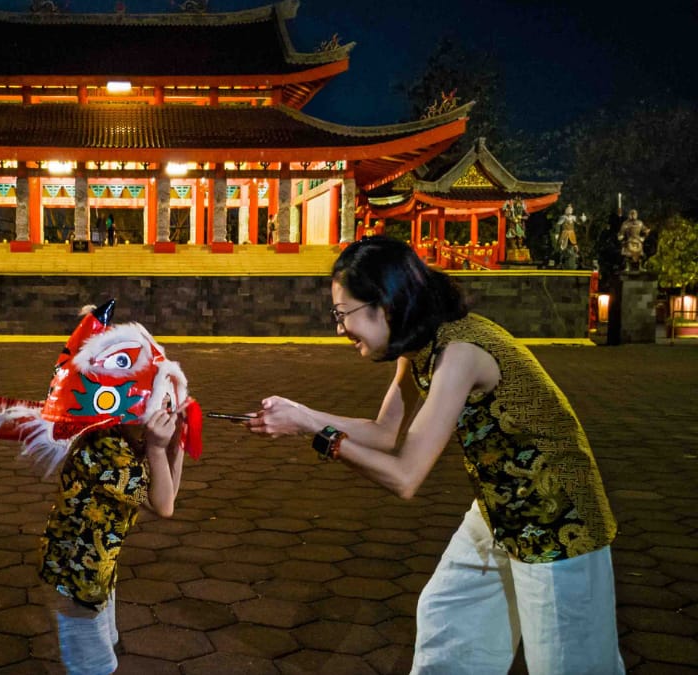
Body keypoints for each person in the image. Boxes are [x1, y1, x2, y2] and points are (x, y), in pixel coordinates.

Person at [246, 236, 623, 675]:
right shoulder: (419, 347)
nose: (339, 329)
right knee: (450, 622)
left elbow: (406, 475)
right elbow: (386, 433)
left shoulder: (459, 352)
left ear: (385, 305)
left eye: (342, 314)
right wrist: (300, 414)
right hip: (498, 509)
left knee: (566, 663)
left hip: (558, 518)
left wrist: (317, 431)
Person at [30, 301, 199, 675]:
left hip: (98, 570)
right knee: (96, 666)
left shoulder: (123, 440)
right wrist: (159, 448)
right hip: (74, 576)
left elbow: (166, 493)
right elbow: (164, 505)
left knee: (108, 644)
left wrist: (177, 444)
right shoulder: (106, 450)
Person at [553, 204, 582, 269]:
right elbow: (558, 225)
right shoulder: (562, 217)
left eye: (570, 209)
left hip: (572, 233)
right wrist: (557, 233)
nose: (569, 210)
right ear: (565, 210)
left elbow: (579, 223)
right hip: (564, 233)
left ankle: (576, 260)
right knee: (562, 247)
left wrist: (582, 219)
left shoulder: (574, 217)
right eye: (568, 209)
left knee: (574, 245)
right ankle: (560, 261)